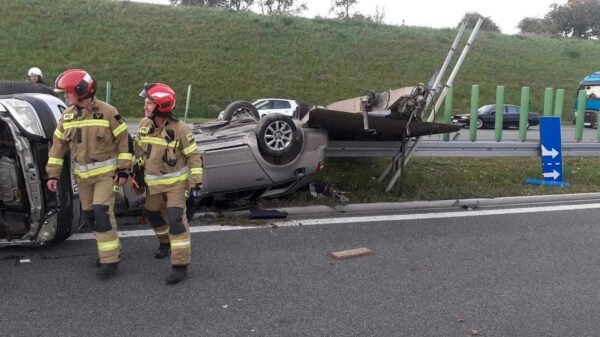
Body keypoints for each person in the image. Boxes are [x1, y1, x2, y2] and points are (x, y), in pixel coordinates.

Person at [46, 69, 131, 279]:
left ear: (83, 91)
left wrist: (123, 169)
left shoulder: (108, 112)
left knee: (102, 212)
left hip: (106, 176)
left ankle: (110, 260)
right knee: (91, 216)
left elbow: (125, 142)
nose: (65, 97)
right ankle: (108, 249)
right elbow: (57, 147)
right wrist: (53, 174)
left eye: (68, 93)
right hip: (83, 179)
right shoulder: (67, 116)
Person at [133, 82, 203, 284]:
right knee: (152, 214)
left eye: (148, 103)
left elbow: (194, 157)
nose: (145, 107)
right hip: (152, 185)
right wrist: (134, 172)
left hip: (176, 186)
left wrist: (196, 183)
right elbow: (139, 151)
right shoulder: (144, 125)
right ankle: (165, 243)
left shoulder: (180, 129)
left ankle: (180, 264)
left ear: (161, 105)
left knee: (176, 221)